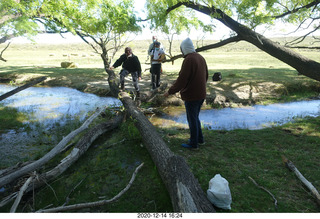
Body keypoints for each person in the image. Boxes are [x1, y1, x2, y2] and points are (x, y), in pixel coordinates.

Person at [164, 38, 208, 149]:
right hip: (201, 94)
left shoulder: (189, 59)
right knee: (195, 117)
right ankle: (200, 139)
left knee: (192, 119)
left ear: (184, 48)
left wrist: (170, 91)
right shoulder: (200, 57)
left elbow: (182, 80)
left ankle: (193, 144)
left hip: (192, 95)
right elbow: (206, 75)